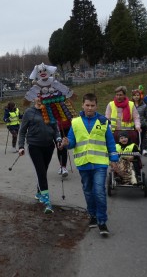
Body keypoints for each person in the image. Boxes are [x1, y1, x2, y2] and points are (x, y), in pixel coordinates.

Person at [62, 93, 118, 236]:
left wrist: (114, 159)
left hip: (100, 163)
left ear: (96, 106)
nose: (90, 108)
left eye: (92, 105)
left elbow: (110, 142)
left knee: (99, 191)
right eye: (87, 105)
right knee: (88, 190)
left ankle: (102, 222)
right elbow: (72, 142)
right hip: (83, 163)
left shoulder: (103, 121)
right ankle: (92, 215)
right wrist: (67, 144)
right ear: (82, 105)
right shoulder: (75, 122)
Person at [18, 96, 62, 214]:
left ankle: (39, 192)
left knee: (43, 170)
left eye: (42, 96)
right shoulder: (29, 112)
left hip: (49, 146)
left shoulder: (49, 111)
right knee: (41, 172)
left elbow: (55, 128)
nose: (40, 99)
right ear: (34, 98)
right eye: (38, 96)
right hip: (34, 146)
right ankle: (47, 202)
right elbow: (22, 131)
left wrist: (58, 139)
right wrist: (21, 146)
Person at [131, 89, 147, 155]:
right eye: (135, 95)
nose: (136, 97)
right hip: (132, 125)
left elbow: (146, 115)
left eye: (138, 95)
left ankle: (143, 150)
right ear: (132, 96)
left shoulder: (144, 105)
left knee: (142, 139)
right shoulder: (130, 105)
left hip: (142, 125)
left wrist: (146, 124)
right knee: (134, 140)